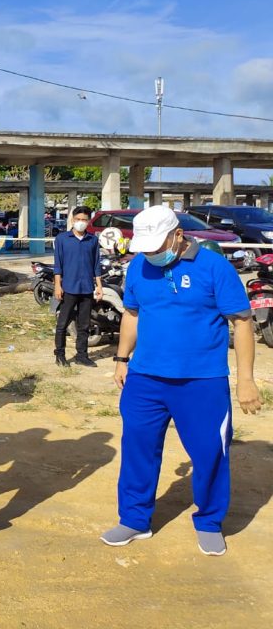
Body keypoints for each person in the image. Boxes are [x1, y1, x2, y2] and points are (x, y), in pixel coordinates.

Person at [102, 205, 262, 556]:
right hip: (145, 379)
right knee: (137, 450)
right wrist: (121, 359)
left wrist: (245, 380)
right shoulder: (138, 266)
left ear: (178, 235)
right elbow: (131, 314)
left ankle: (208, 521)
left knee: (209, 454)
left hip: (201, 382)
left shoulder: (214, 267)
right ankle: (134, 519)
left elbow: (243, 322)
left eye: (157, 246)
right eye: (145, 247)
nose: (151, 254)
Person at [53, 205, 103, 368]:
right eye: (78, 219)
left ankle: (82, 355)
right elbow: (58, 265)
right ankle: (60, 355)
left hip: (87, 288)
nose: (81, 222)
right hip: (68, 288)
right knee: (62, 324)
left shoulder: (93, 240)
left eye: (84, 220)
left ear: (88, 221)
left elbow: (96, 265)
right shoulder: (62, 239)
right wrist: (57, 286)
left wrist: (99, 286)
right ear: (73, 220)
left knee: (84, 325)